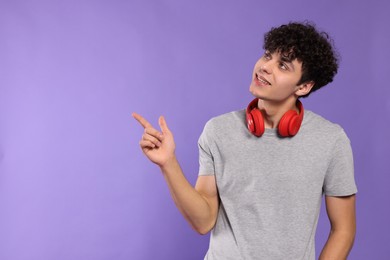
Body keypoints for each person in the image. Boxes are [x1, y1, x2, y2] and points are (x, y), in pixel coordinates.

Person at [132, 21, 357, 260]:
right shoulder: (218, 131)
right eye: (267, 55)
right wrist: (169, 164)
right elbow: (203, 221)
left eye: (282, 65)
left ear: (303, 86)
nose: (265, 67)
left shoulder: (331, 140)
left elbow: (343, 230)